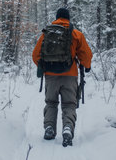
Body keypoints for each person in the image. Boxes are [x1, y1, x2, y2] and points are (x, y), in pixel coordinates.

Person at [32, 8, 93, 147]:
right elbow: (86, 55)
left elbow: (35, 55)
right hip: (70, 75)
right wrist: (87, 66)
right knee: (69, 104)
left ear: (57, 18)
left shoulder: (47, 34)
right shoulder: (76, 34)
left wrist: (45, 66)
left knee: (51, 103)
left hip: (51, 76)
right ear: (68, 18)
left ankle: (49, 128)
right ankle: (67, 129)